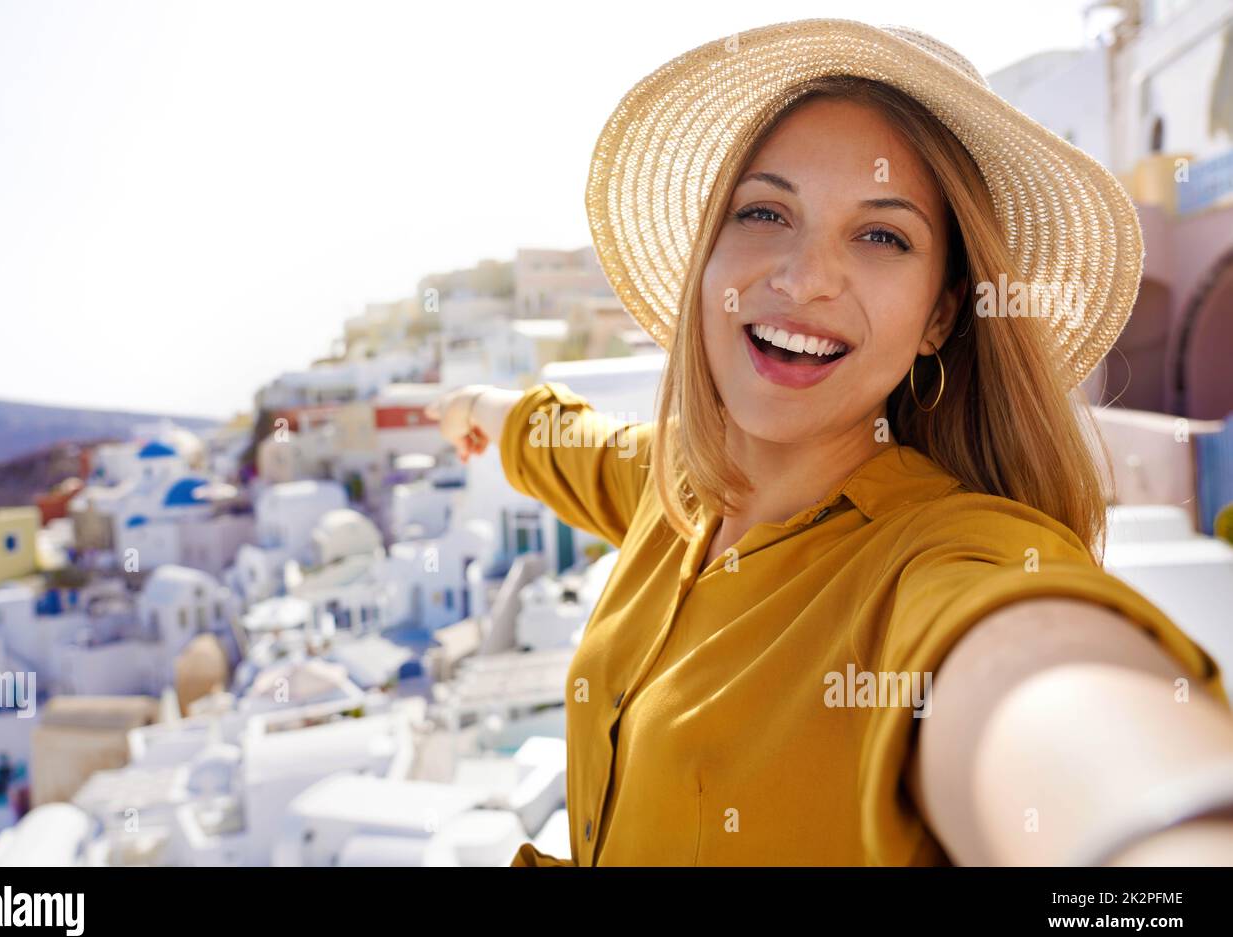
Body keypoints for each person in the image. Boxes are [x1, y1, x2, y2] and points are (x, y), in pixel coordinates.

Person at [425, 20, 1233, 866]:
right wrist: (475, 406)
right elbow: (565, 443)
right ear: (709, 256)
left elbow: (1022, 671)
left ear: (942, 315)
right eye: (765, 212)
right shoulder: (675, 483)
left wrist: (1149, 836)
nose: (805, 278)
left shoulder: (950, 556)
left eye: (882, 235)